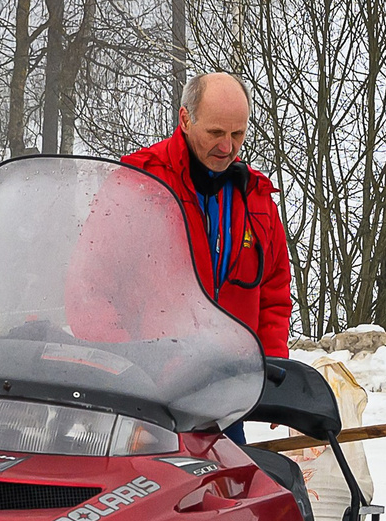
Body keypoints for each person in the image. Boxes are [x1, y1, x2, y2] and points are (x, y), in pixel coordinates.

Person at [123, 71, 296, 439]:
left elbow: (275, 293)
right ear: (185, 120)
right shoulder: (138, 181)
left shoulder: (257, 199)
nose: (227, 146)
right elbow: (92, 286)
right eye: (216, 133)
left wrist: (271, 370)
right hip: (146, 397)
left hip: (224, 397)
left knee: (223, 494)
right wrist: (125, 371)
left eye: (238, 134)